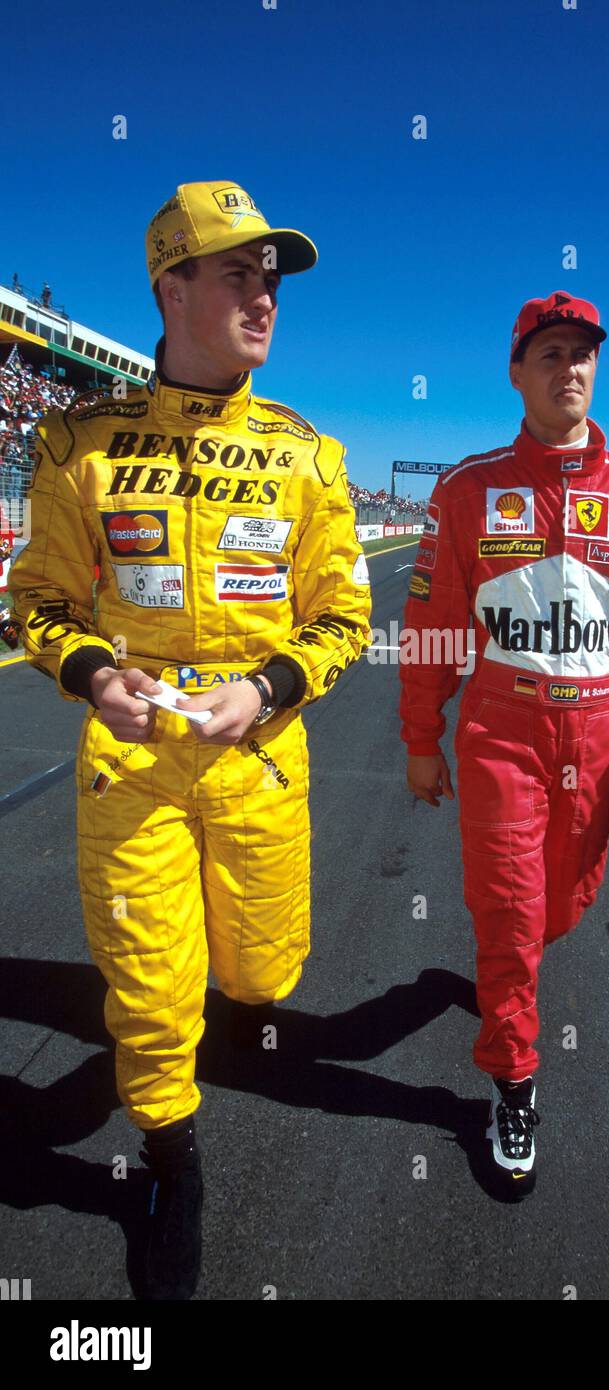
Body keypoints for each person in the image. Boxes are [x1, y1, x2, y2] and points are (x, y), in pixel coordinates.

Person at [9, 180, 372, 1298]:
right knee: (153, 985)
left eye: (272, 275)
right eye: (237, 270)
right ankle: (171, 1158)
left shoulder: (310, 454)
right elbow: (38, 602)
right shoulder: (79, 442)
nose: (265, 292)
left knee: (260, 977)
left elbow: (346, 618)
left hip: (260, 756)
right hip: (133, 765)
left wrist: (265, 690)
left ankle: (211, 997)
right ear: (170, 283)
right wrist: (91, 671)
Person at [399, 291, 609, 1196]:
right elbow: (433, 626)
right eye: (548, 352)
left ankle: (510, 971)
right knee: (507, 908)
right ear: (516, 371)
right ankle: (513, 1078)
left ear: (594, 368)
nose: (567, 367)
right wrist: (423, 736)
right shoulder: (466, 488)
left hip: (598, 735)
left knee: (559, 908)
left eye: (581, 353)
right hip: (500, 729)